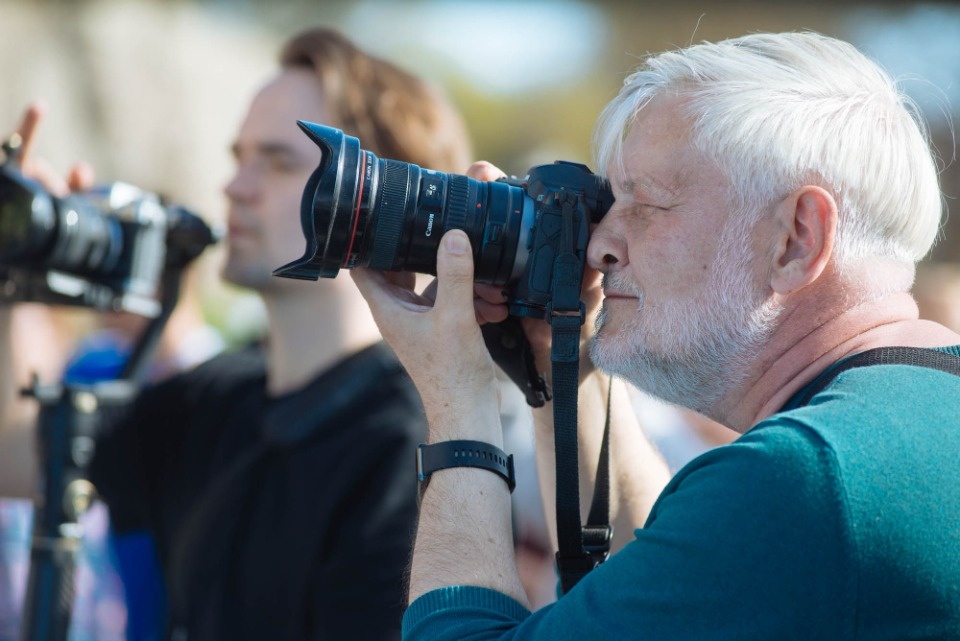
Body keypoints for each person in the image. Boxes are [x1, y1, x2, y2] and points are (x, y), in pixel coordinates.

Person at [349, 31, 960, 639]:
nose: (599, 244)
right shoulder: (911, 424)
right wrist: (561, 362)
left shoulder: (803, 478)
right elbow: (664, 593)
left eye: (646, 204)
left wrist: (456, 398)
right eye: (608, 200)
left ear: (797, 238)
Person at [0, 27, 473, 640]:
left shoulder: (411, 444)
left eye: (277, 162)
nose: (233, 187)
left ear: (383, 201)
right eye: (238, 157)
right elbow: (20, 463)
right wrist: (14, 275)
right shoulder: (218, 397)